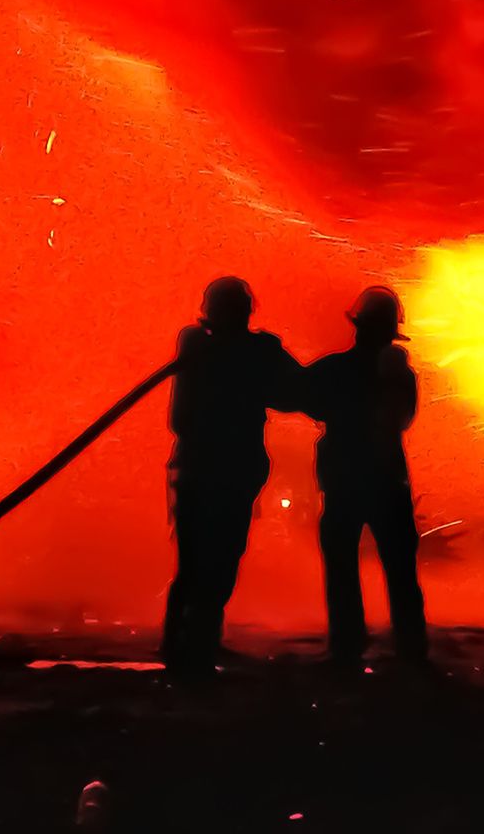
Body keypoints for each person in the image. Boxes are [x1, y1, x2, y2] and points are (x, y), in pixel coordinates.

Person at [162, 276, 302, 674]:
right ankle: (187, 650)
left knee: (207, 560)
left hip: (206, 470)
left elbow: (292, 392)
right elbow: (295, 393)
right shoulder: (226, 348)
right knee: (211, 560)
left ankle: (191, 646)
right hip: (218, 470)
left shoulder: (202, 345)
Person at [301, 285, 429, 666]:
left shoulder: (334, 369)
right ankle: (411, 650)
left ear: (357, 325)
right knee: (400, 568)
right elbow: (404, 419)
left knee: (342, 566)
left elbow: (304, 399)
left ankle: (347, 648)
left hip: (344, 481)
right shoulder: (400, 376)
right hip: (387, 481)